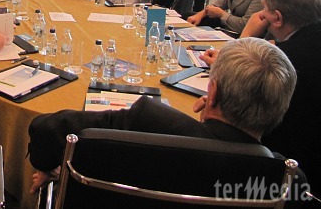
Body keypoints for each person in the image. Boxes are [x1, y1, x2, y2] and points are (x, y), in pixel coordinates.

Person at [27, 38, 300, 196]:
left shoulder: (149, 121)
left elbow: (46, 130)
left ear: (212, 92)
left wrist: (51, 168)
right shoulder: (288, 179)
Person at [202, 0, 321, 195]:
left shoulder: (284, 63)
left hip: (284, 178)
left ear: (277, 18)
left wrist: (245, 38)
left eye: (264, 8)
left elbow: (245, 122)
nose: (260, 14)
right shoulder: (305, 41)